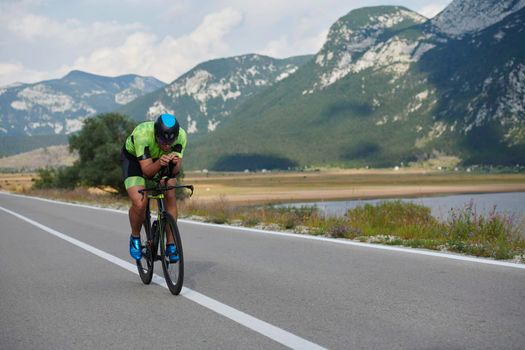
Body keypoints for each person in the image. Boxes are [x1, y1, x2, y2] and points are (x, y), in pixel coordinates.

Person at [120, 113, 187, 262]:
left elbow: (175, 172)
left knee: (170, 190)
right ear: (156, 134)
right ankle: (135, 237)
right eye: (162, 141)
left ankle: (171, 243)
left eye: (170, 142)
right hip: (134, 161)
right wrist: (160, 163)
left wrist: (175, 164)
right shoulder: (142, 134)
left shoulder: (182, 136)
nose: (167, 146)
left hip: (160, 160)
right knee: (140, 201)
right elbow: (147, 172)